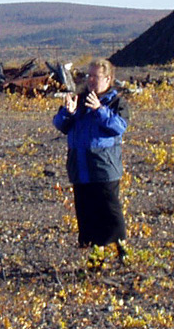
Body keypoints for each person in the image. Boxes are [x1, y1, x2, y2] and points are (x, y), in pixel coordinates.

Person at [53, 57, 129, 268]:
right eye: (89, 76)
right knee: (88, 212)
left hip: (104, 166)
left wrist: (100, 110)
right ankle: (97, 257)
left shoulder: (115, 102)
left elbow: (119, 127)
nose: (92, 80)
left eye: (96, 76)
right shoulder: (79, 99)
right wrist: (67, 113)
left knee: (110, 210)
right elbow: (60, 124)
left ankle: (122, 248)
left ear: (108, 78)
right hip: (80, 166)